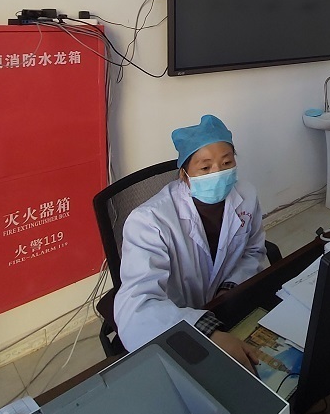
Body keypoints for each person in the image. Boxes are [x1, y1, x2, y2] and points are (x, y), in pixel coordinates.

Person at [114, 114, 268, 371]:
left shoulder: (246, 195)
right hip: (176, 322)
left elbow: (253, 251)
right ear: (184, 175)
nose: (218, 173)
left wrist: (230, 286)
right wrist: (207, 332)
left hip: (226, 306)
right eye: (205, 168)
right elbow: (137, 306)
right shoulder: (150, 221)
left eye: (227, 162)